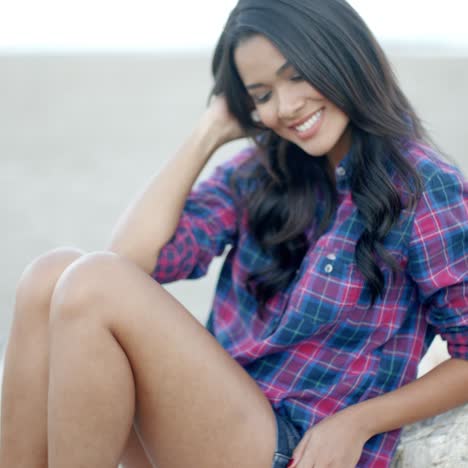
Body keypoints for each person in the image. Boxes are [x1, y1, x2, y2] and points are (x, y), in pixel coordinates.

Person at [1, 0, 467, 467]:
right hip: (208, 424)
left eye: (297, 75)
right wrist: (208, 133)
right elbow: (131, 261)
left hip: (295, 446)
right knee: (51, 274)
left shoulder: (424, 186)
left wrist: (359, 421)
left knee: (92, 280)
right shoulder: (262, 174)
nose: (286, 107)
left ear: (342, 55)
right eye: (262, 95)